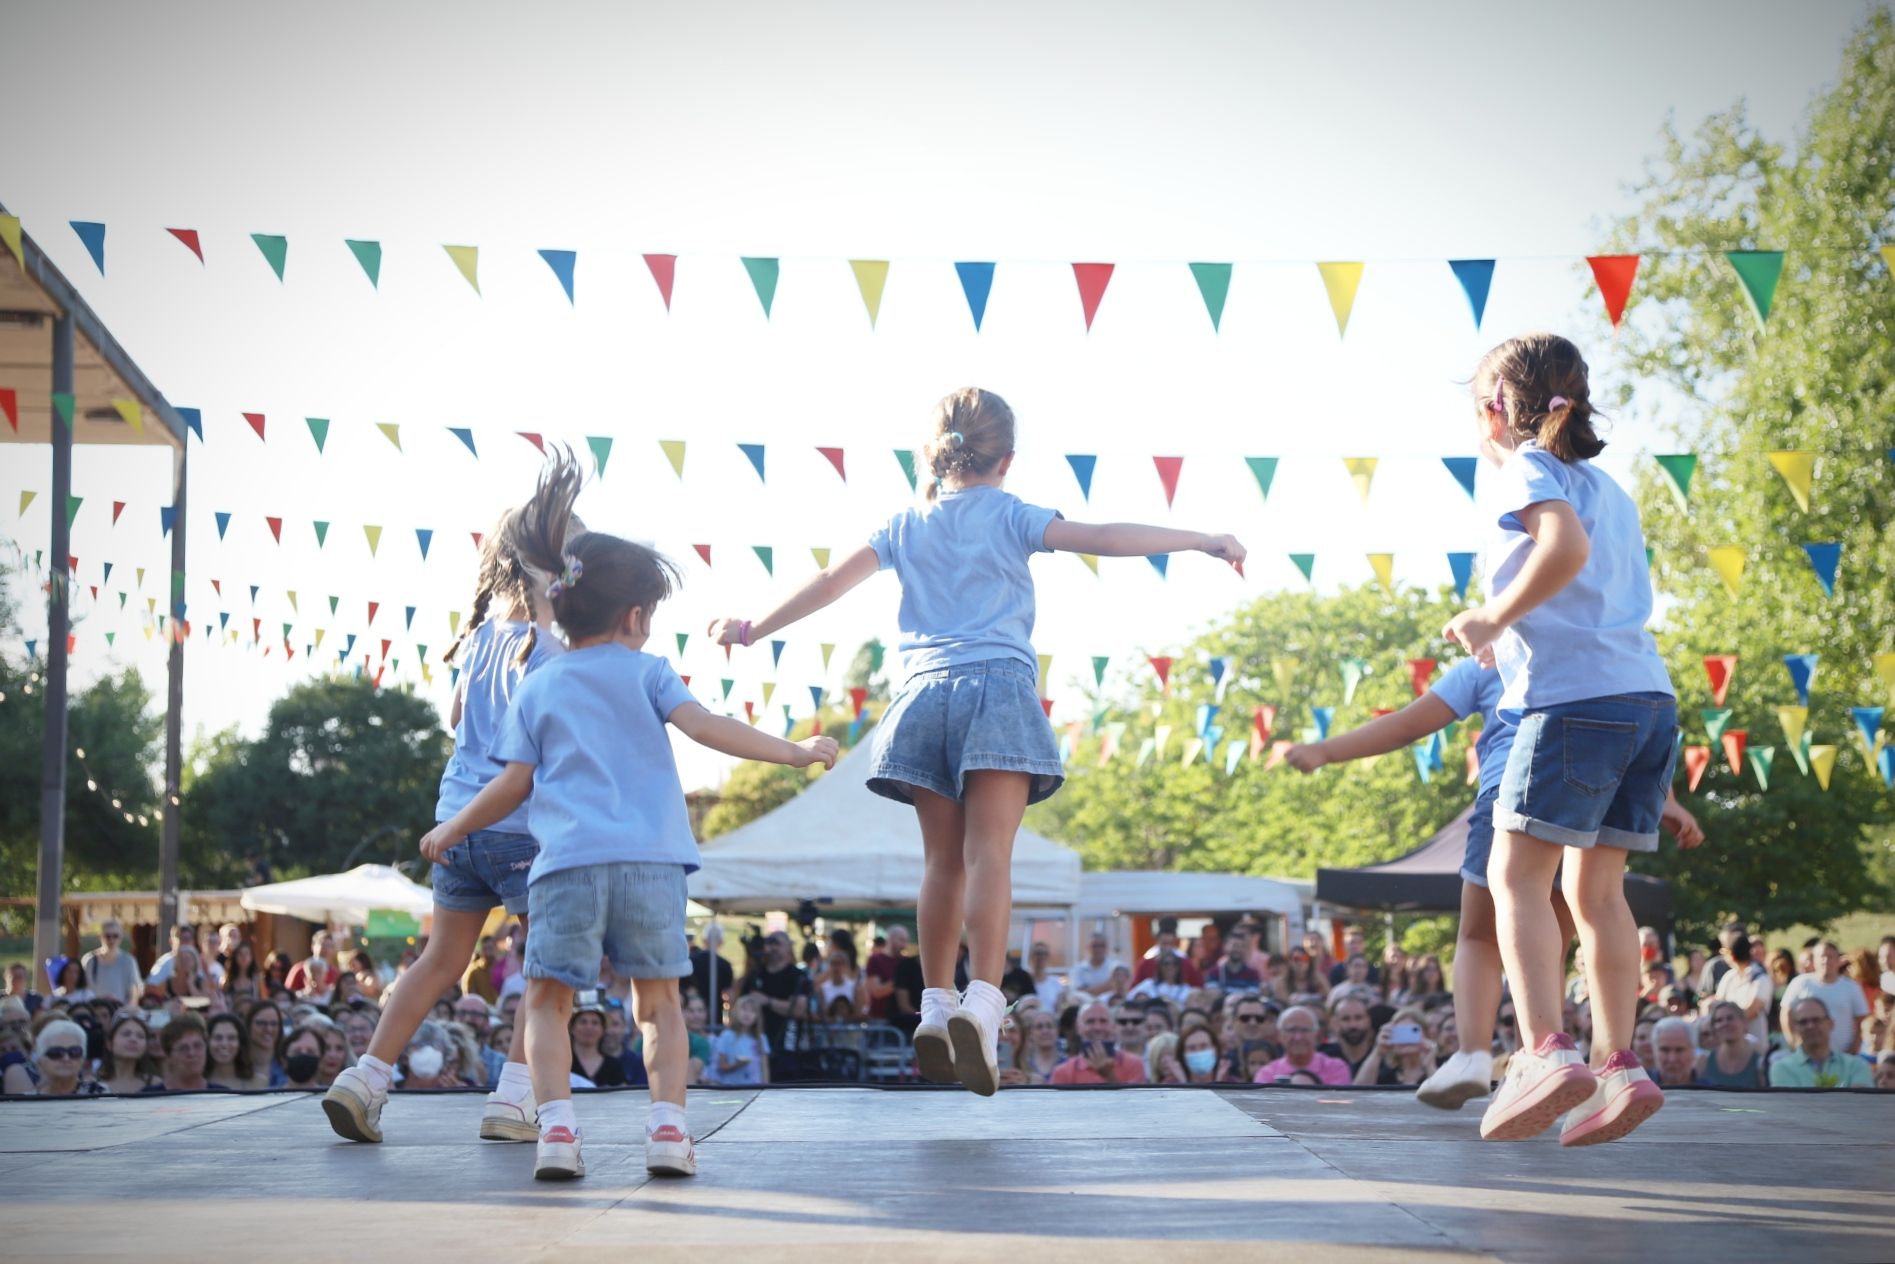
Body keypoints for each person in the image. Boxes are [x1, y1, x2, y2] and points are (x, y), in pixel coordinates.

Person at [710, 388, 1241, 1097]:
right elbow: (1105, 537)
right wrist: (1200, 539)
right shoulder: (1012, 513)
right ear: (1007, 459)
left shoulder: (903, 523)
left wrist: (752, 630)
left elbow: (829, 583)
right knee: (989, 854)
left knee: (941, 863)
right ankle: (984, 1007)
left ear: (933, 456)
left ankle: (935, 1006)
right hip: (996, 688)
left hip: (922, 697)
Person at [420, 453, 837, 1182]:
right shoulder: (650, 672)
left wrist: (453, 828)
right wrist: (795, 752)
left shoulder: (540, 682)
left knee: (546, 1002)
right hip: (650, 862)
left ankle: (556, 1131)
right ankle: (668, 1131)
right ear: (637, 617)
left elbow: (512, 785)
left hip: (565, 868)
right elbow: (708, 729)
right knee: (659, 1004)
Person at [1443, 333, 1678, 1148]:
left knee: (1513, 876)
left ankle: (1543, 1050)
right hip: (1646, 700)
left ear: (1493, 412)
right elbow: (1591, 585)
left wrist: (1490, 617)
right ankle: (1618, 1064)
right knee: (1597, 895)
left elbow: (1563, 549)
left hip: (1573, 703)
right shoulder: (1609, 487)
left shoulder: (1525, 467)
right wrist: (1508, 634)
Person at [324, 475, 577, 1146]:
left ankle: (365, 1078)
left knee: (438, 960)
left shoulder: (481, 637)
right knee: (549, 970)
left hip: (455, 823)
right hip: (520, 828)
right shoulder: (554, 653)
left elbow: (458, 717)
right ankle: (514, 1098)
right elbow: (538, 760)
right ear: (555, 571)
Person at [742, 932, 813, 1075]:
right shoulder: (756, 974)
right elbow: (740, 1004)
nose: (772, 948)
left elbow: (799, 1010)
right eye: (769, 943)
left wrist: (768, 1001)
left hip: (787, 1046)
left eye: (777, 943)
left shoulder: (797, 975)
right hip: (757, 1044)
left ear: (788, 948)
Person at [1780, 941, 1870, 1055]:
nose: (1826, 961)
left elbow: (1862, 1021)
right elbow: (1786, 1013)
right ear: (1814, 960)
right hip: (1808, 1055)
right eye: (1822, 956)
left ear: (1838, 960)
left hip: (1843, 1055)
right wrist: (1794, 1042)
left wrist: (1853, 1049)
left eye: (1830, 957)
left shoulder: (1852, 987)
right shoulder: (1801, 983)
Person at [1769, 998, 1872, 1088]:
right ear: (1794, 1028)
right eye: (1803, 1022)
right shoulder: (1782, 1068)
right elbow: (1790, 1103)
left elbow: (1861, 1102)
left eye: (1816, 1020)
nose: (1810, 1026)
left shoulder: (1856, 1066)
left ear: (1831, 1023)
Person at [1050, 1002, 1147, 1085]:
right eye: (1090, 1021)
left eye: (1103, 1021)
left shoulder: (1134, 1064)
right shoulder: (1062, 1072)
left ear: (1113, 1026)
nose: (1097, 1027)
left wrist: (1108, 1075)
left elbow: (1133, 1101)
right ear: (1078, 1027)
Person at [1252, 1006, 1352, 1086]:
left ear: (1316, 1034)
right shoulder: (1267, 1074)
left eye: (1304, 1030)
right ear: (1279, 1035)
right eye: (1291, 1030)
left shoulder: (1336, 1068)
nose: (1298, 1037)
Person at [1713, 932, 1773, 1051]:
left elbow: (1751, 1011)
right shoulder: (1729, 977)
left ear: (1731, 954)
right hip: (1729, 1048)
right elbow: (1718, 1006)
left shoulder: (1760, 978)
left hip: (1754, 1048)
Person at [1356, 1011, 1438, 1087]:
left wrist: (1430, 1066)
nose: (1406, 1038)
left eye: (1412, 1031)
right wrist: (1377, 1052)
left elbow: (1441, 1093)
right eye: (1400, 1032)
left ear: (1425, 1034)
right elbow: (1359, 1092)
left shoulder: (1440, 1067)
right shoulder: (1384, 1072)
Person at [1696, 1001, 1763, 1088]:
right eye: (1719, 1020)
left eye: (1730, 1018)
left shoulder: (1760, 1062)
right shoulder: (1704, 1062)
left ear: (1744, 1023)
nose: (1725, 1024)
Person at [567, 991, 626, 1087]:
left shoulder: (614, 1066)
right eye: (583, 1022)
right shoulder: (563, 1064)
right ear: (572, 1028)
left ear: (603, 1029)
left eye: (595, 1023)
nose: (589, 1027)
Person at [708, 994, 769, 1087]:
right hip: (730, 1088)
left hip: (755, 1088)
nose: (747, 1014)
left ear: (757, 1016)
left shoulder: (761, 1039)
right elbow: (721, 1066)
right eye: (744, 1009)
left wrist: (766, 1087)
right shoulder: (726, 1036)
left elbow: (765, 1068)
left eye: (752, 1011)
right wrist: (737, 1065)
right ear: (736, 1011)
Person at [80, 920, 141, 1005]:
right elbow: (84, 989)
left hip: (120, 1009)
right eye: (107, 936)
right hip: (94, 1008)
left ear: (121, 937)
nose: (111, 940)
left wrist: (128, 1009)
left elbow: (134, 991)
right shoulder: (89, 960)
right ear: (100, 937)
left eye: (115, 936)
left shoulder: (129, 961)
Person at [98, 1014, 163, 1095]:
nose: (133, 1039)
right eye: (126, 1034)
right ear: (109, 1044)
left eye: (140, 1036)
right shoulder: (93, 1085)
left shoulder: (156, 1085)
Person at [1320, 996, 1378, 1078]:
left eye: (1358, 1018)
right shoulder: (1324, 1058)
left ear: (1368, 1021)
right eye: (1345, 1019)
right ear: (1334, 1023)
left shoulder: (1381, 1059)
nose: (1353, 1025)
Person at [159, 1012, 211, 1092]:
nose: (192, 1053)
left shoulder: (222, 1095)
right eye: (183, 1048)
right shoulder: (150, 1096)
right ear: (169, 1056)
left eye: (197, 1046)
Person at [204, 1012, 255, 1090]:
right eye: (218, 1038)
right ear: (207, 1042)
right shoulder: (196, 1082)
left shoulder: (258, 1082)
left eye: (231, 1038)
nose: (224, 1044)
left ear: (240, 1043)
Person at [1206, 927, 1263, 993]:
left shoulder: (1252, 974)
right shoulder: (1214, 972)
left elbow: (1253, 994)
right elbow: (1211, 993)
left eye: (1241, 946)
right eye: (1234, 945)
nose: (1237, 949)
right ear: (1225, 947)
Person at [1650, 1017, 1699, 1088]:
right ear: (1654, 1050)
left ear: (1693, 1050)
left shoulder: (1711, 1091)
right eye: (1665, 1050)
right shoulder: (1638, 1090)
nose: (1672, 1059)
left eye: (1679, 1050)